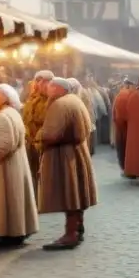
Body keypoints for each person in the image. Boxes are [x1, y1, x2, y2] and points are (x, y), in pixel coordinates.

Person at [39, 77, 98, 250]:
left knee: (70, 193)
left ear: (57, 89)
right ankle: (77, 228)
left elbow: (51, 134)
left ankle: (70, 234)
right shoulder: (75, 100)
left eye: (50, 87)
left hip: (65, 155)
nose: (47, 90)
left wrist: (38, 137)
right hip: (77, 151)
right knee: (76, 193)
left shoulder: (60, 104)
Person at [0, 83, 39, 244]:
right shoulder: (11, 113)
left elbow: (2, 146)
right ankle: (17, 232)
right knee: (15, 199)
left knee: (8, 200)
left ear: (2, 100)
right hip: (14, 164)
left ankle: (11, 233)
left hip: (5, 167)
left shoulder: (2, 117)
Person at [22, 70, 54, 185]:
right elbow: (26, 118)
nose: (39, 84)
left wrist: (38, 141)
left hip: (43, 144)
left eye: (43, 81)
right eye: (38, 81)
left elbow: (49, 123)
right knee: (33, 175)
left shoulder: (53, 101)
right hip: (31, 143)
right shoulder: (32, 99)